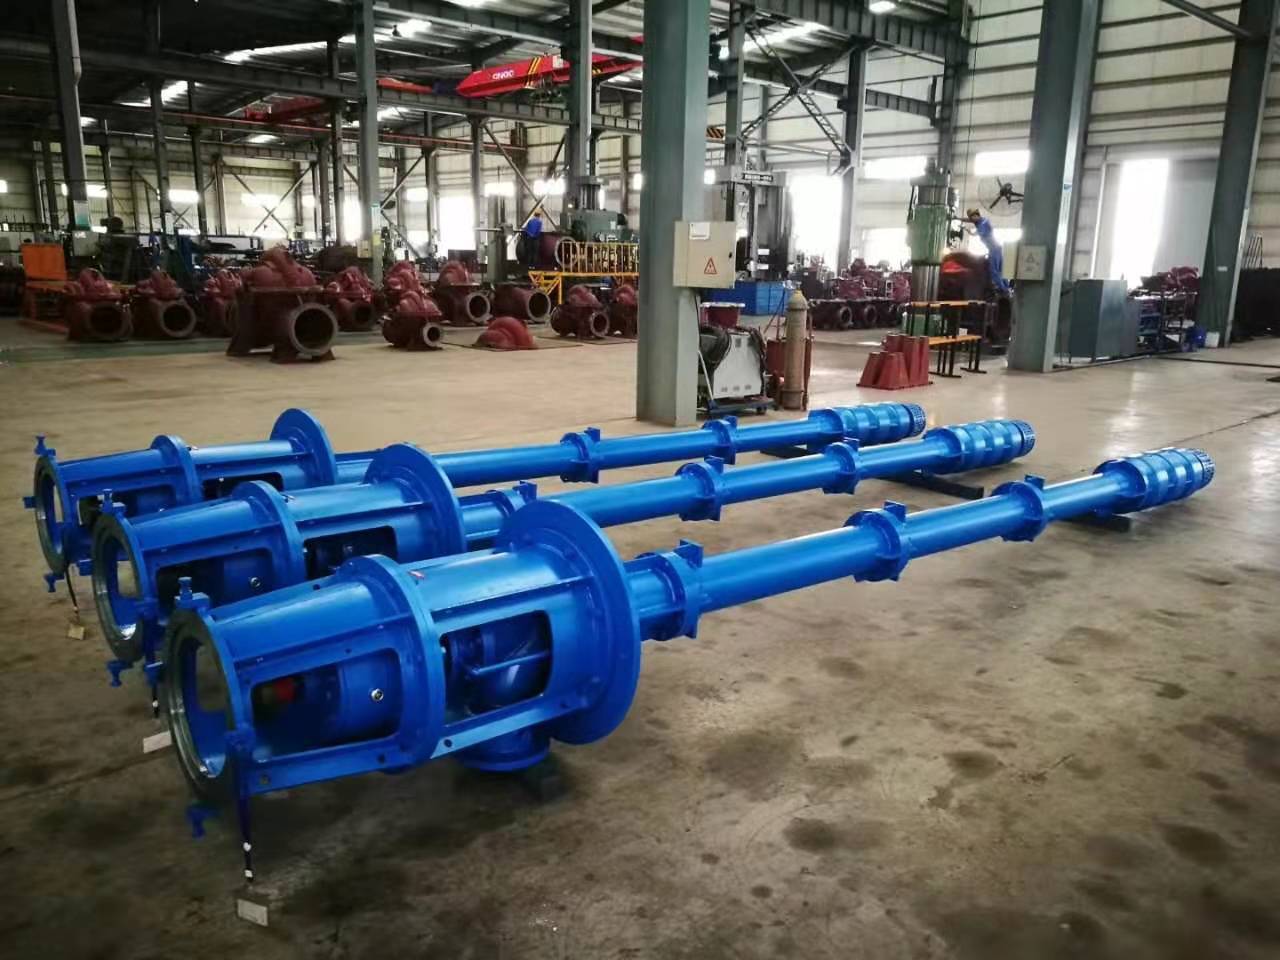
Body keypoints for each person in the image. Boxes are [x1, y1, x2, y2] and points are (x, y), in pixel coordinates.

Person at [966, 208, 1010, 295]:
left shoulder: (982, 224)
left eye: (972, 218)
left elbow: (977, 233)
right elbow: (974, 225)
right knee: (1000, 271)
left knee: (994, 272)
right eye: (971, 219)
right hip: (997, 248)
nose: (972, 220)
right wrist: (959, 219)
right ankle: (1007, 288)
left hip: (993, 249)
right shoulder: (983, 221)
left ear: (976, 215)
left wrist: (971, 232)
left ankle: (1004, 291)